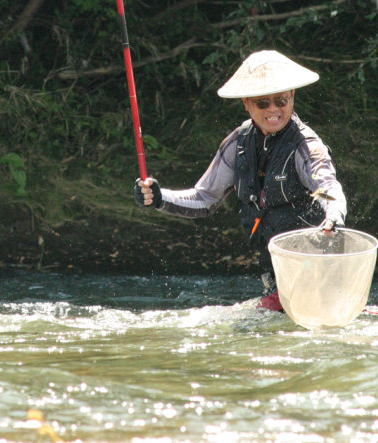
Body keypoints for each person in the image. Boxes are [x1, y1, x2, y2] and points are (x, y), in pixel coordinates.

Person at [133, 50, 346, 310]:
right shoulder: (238, 143)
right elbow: (204, 198)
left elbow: (328, 187)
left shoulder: (306, 146)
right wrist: (159, 197)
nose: (274, 110)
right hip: (277, 280)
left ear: (292, 98)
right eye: (262, 103)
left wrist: (334, 215)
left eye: (281, 100)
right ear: (246, 103)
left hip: (315, 275)